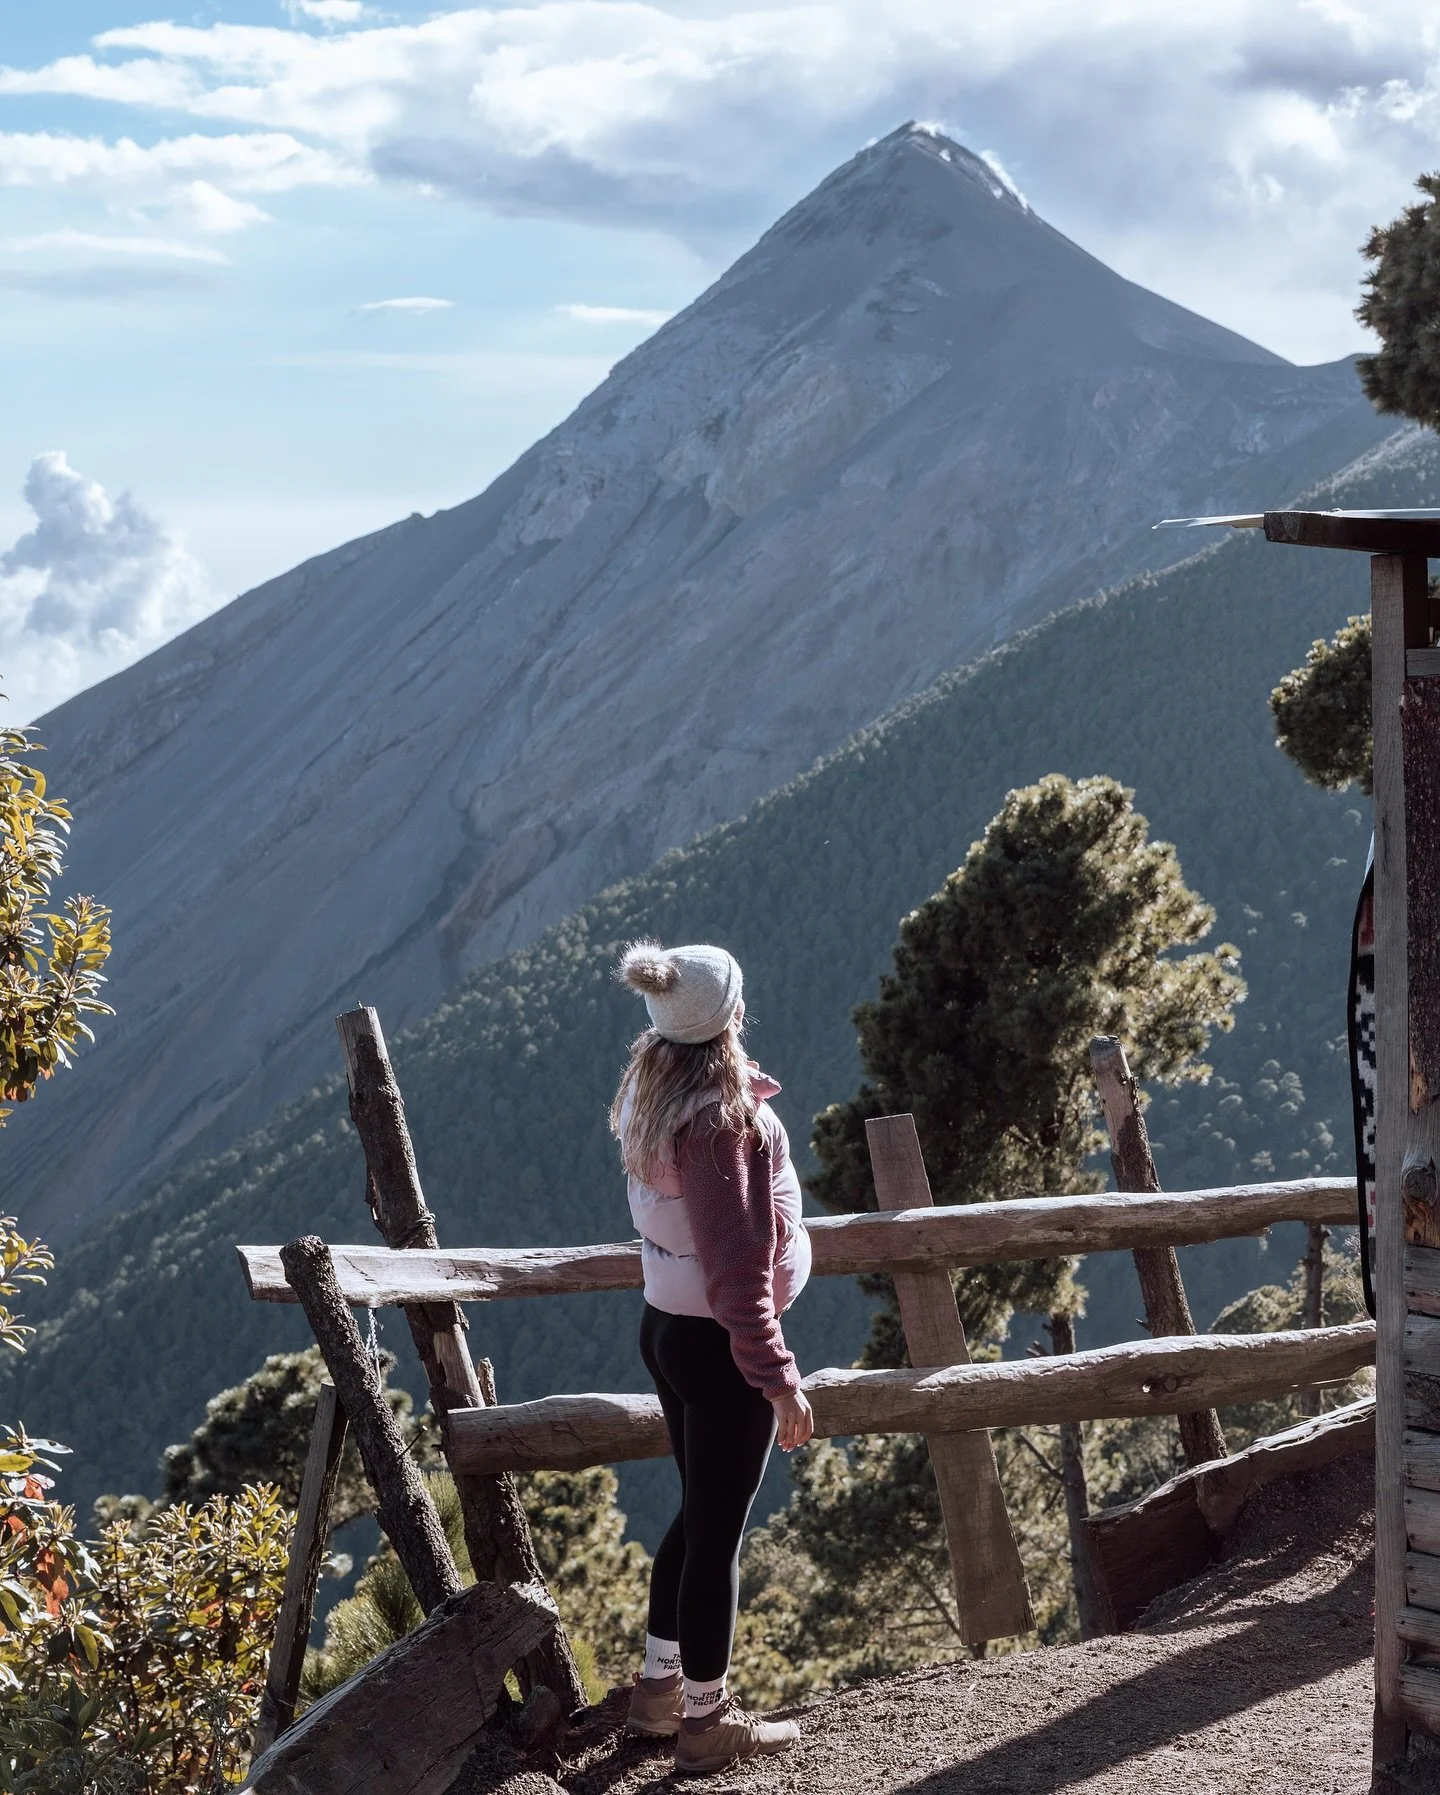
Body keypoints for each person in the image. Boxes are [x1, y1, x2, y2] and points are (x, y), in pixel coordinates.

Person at [610, 940, 813, 1776]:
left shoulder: (654, 1088)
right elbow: (737, 1272)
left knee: (698, 1513)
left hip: (667, 1329)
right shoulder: (724, 1124)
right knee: (719, 1534)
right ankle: (707, 1719)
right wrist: (779, 1378)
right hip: (722, 1348)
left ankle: (659, 1691)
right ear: (729, 1014)